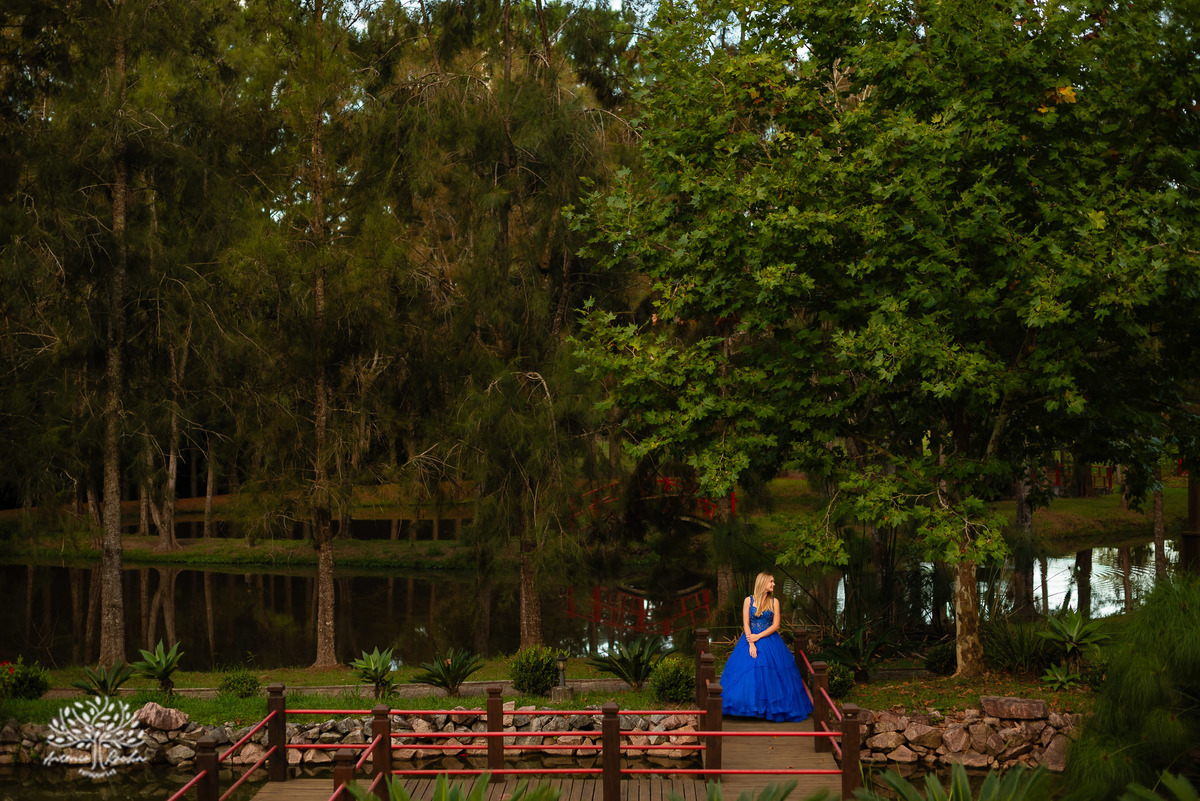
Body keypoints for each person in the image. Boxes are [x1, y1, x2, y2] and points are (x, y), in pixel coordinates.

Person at [718, 571, 813, 722]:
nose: (773, 584)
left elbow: (776, 625)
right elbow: (746, 624)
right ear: (763, 583)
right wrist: (751, 643)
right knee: (748, 668)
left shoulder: (774, 602)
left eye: (773, 582)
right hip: (749, 639)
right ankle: (750, 708)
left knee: (772, 671)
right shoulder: (748, 601)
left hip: (769, 639)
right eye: (771, 582)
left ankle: (770, 709)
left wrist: (759, 636)